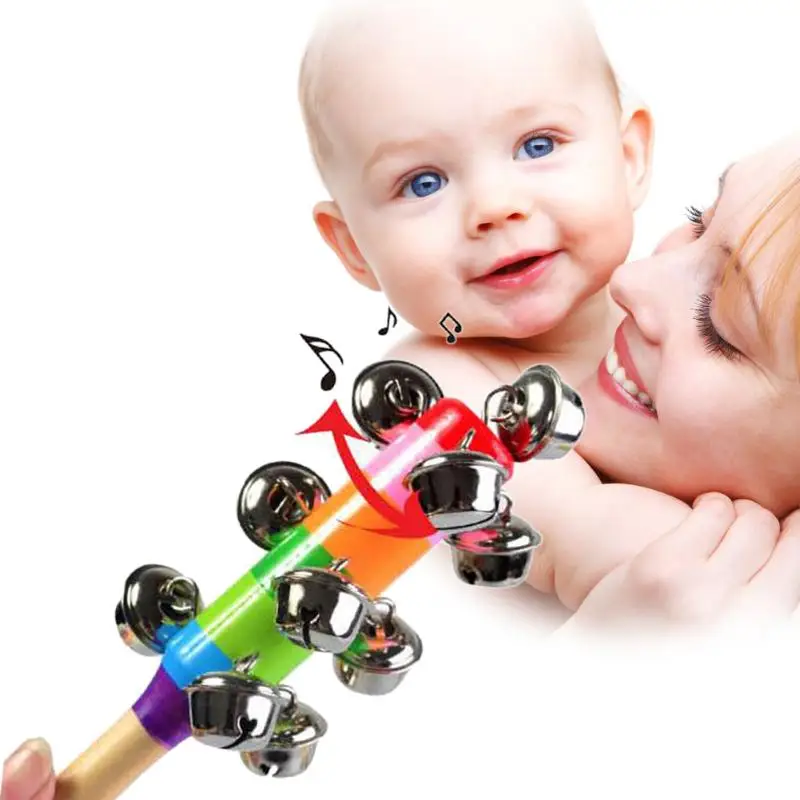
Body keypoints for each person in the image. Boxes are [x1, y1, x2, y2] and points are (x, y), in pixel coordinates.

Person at [300, 0, 654, 389]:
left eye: (537, 146)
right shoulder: (431, 390)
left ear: (627, 158)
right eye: (424, 183)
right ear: (353, 247)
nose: (494, 206)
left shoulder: (677, 308)